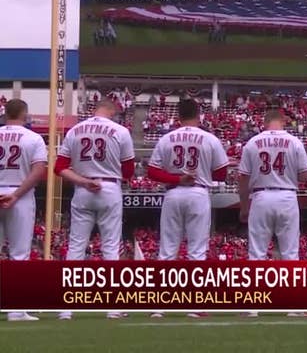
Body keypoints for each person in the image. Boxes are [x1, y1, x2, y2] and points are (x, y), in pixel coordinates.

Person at [147, 99, 229, 319]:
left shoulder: (166, 138)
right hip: (199, 192)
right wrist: (201, 172)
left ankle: (158, 306)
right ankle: (194, 306)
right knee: (196, 252)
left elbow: (152, 172)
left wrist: (176, 177)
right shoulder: (209, 138)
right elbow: (221, 174)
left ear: (178, 115)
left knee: (166, 251)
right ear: (199, 114)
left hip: (173, 193)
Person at [55, 99, 135, 321]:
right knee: (110, 247)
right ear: (111, 110)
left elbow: (59, 168)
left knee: (76, 248)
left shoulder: (76, 130)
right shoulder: (120, 130)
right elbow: (128, 170)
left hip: (83, 188)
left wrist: (82, 180)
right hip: (109, 187)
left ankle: (65, 308)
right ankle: (113, 308)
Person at [238, 109, 307, 318]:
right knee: (290, 254)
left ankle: (252, 308)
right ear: (282, 121)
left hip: (261, 197)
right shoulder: (294, 142)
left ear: (265, 121)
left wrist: (244, 206)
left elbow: (243, 178)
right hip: (287, 196)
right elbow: (305, 176)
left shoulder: (253, 142)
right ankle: (294, 307)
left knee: (256, 254)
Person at [0, 100, 47, 322]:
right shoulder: (33, 138)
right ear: (25, 114)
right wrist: (16, 195)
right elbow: (38, 171)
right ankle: (16, 310)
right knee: (19, 254)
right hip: (20, 195)